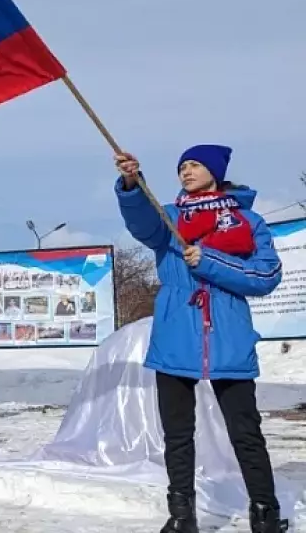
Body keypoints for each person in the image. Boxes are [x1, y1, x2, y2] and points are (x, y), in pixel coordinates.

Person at [115, 146, 286, 533]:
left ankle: (266, 515)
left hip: (228, 334)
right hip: (175, 333)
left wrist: (208, 262)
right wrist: (131, 183)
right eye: (181, 166)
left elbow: (266, 276)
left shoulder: (248, 220)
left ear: (215, 170)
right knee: (177, 435)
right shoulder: (169, 216)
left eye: (194, 164)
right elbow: (142, 225)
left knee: (246, 433)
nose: (185, 171)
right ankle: (181, 516)